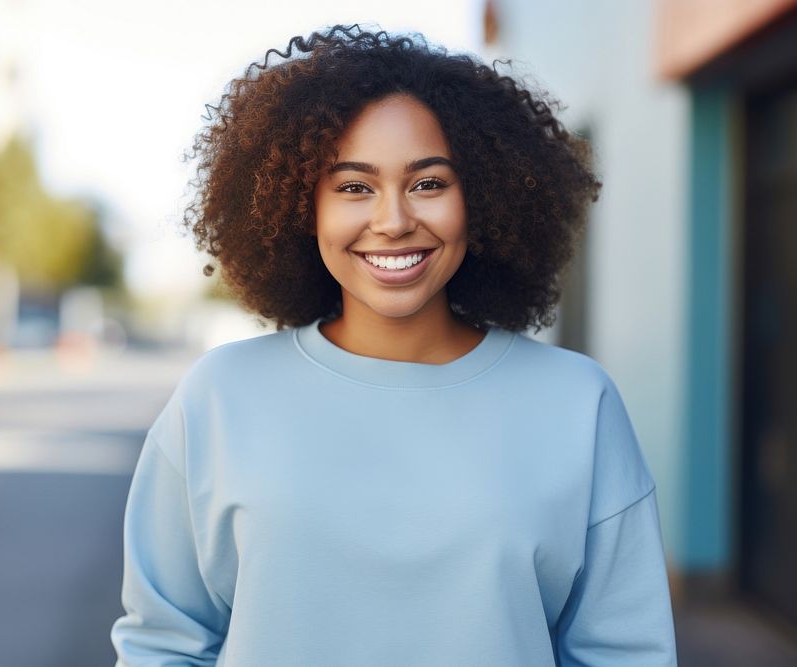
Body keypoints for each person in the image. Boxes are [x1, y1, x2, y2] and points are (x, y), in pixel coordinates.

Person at [111, 25, 677, 666]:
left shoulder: (578, 402)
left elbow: (625, 653)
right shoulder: (220, 396)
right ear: (302, 207)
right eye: (354, 186)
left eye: (429, 183)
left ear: (483, 198)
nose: (393, 220)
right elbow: (164, 642)